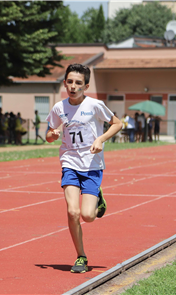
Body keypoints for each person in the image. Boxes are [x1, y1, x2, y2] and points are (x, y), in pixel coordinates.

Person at [46, 64, 122, 273]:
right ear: (64, 83)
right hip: (69, 162)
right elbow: (49, 133)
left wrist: (101, 139)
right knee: (72, 211)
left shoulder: (95, 105)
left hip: (91, 165)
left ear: (86, 86)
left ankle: (98, 196)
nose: (73, 86)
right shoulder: (59, 108)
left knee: (88, 216)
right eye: (70, 82)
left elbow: (117, 123)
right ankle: (81, 256)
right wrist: (52, 135)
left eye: (78, 83)